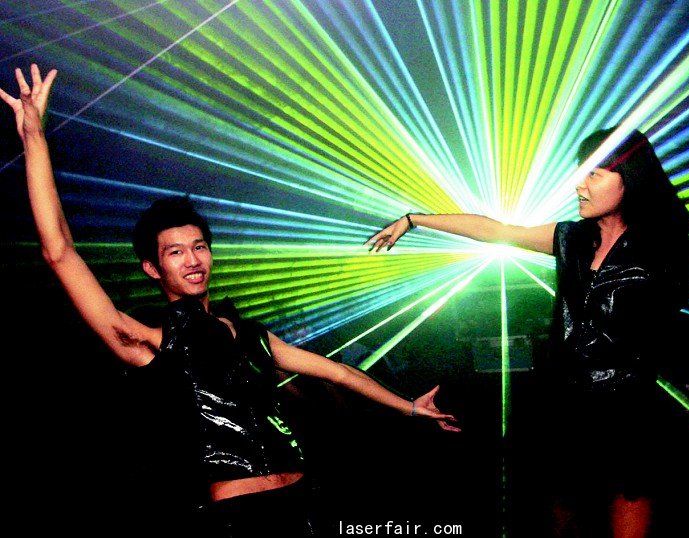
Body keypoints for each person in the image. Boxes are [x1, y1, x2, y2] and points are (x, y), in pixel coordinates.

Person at [1, 64, 460, 537]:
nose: (192, 260)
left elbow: (338, 372)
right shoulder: (148, 341)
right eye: (175, 252)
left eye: (199, 247)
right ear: (152, 268)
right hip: (239, 518)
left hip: (304, 501)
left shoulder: (250, 334)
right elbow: (60, 252)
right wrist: (35, 136)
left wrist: (409, 407)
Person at [366, 127, 689, 536]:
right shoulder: (571, 239)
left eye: (594, 173)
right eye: (580, 173)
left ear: (629, 177)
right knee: (561, 520)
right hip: (563, 411)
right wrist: (415, 220)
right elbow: (497, 230)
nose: (579, 185)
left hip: (630, 419)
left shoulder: (667, 253)